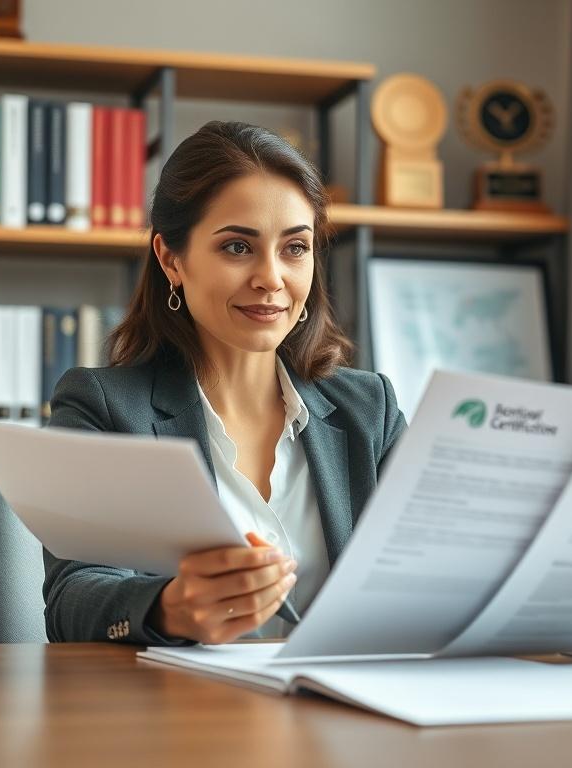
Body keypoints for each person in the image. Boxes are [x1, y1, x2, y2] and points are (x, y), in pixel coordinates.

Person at [43, 121, 406, 645]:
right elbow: (72, 603)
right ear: (171, 259)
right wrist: (168, 609)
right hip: (183, 717)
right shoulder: (102, 407)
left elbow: (431, 567)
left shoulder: (369, 408)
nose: (271, 278)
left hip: (344, 714)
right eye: (238, 248)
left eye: (295, 248)